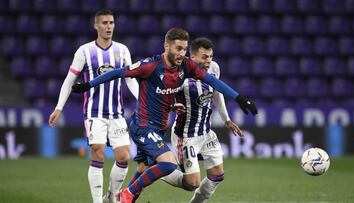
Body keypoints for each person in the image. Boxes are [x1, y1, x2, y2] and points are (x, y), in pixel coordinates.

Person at [72, 28, 257, 203]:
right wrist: (89, 85)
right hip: (143, 125)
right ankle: (126, 195)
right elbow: (118, 73)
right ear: (166, 46)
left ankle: (126, 198)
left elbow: (211, 81)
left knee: (144, 169)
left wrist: (240, 99)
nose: (181, 53)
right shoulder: (150, 66)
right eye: (178, 48)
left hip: (159, 128)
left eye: (184, 49)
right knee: (168, 165)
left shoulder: (186, 66)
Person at [48, 9, 138, 203]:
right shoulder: (84, 51)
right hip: (93, 113)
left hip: (116, 114)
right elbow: (69, 80)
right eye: (104, 23)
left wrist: (143, 100)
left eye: (111, 23)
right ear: (96, 25)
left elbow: (130, 80)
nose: (108, 27)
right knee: (97, 150)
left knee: (124, 157)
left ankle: (112, 196)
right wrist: (58, 107)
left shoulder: (122, 50)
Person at [161, 37, 243, 203]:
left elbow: (217, 92)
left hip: (206, 132)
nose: (208, 61)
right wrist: (171, 107)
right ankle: (157, 170)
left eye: (210, 56)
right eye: (204, 57)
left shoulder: (214, 68)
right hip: (186, 136)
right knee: (192, 183)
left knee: (217, 176)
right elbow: (161, 98)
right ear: (192, 57)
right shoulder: (178, 74)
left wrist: (226, 119)